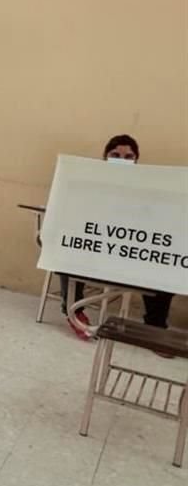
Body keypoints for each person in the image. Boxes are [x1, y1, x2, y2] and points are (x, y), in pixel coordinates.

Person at [61, 134, 174, 340]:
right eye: (116, 155)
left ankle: (155, 329)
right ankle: (73, 312)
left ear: (136, 160)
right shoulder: (89, 183)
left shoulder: (147, 189)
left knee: (167, 264)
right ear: (105, 157)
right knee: (64, 249)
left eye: (129, 156)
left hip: (129, 257)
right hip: (94, 255)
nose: (122, 160)